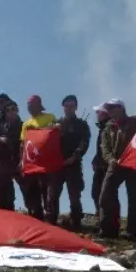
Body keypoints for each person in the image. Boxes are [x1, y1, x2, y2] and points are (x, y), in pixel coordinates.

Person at [98, 100, 136, 239]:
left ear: (121, 108)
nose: (111, 111)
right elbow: (105, 149)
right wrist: (111, 160)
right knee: (105, 195)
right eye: (109, 108)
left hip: (133, 163)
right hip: (115, 165)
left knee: (134, 197)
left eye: (113, 107)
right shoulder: (107, 129)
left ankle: (133, 231)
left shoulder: (135, 121)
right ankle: (108, 230)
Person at [46, 94, 90, 229]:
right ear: (63, 107)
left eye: (72, 106)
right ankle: (51, 223)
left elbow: (84, 143)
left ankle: (76, 223)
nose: (69, 109)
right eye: (66, 106)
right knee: (52, 195)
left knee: (74, 196)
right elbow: (47, 143)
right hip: (57, 165)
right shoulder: (55, 125)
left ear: (76, 107)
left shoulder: (82, 125)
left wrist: (74, 157)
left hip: (73, 164)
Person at [19, 95, 58, 220]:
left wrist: (37, 130)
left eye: (32, 105)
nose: (29, 108)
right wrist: (22, 161)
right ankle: (36, 217)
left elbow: (54, 131)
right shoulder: (26, 124)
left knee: (47, 191)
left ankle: (51, 219)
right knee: (31, 190)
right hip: (31, 163)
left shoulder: (49, 117)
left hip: (46, 162)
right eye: (28, 106)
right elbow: (23, 144)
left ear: (39, 105)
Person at [0, 100, 23, 210]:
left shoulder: (23, 126)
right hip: (3, 161)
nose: (11, 112)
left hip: (19, 161)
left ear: (17, 110)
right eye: (8, 110)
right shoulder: (2, 127)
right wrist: (0, 139)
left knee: (29, 192)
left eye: (13, 109)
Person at [91, 101, 115, 216]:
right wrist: (96, 159)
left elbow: (110, 147)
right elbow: (100, 149)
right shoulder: (102, 128)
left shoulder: (110, 127)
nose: (97, 114)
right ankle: (101, 214)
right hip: (100, 165)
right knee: (96, 192)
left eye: (99, 112)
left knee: (106, 193)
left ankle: (107, 217)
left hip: (107, 165)